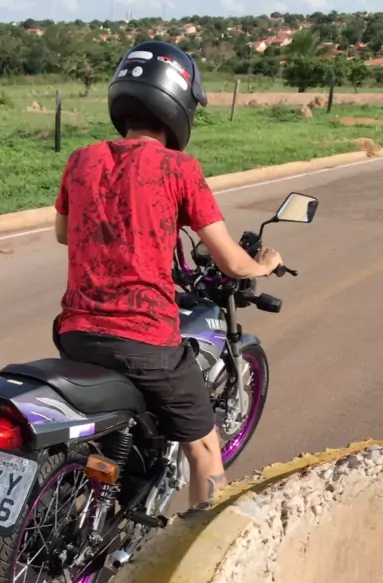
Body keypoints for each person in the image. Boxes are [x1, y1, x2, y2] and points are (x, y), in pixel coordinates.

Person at [54, 41, 282, 510]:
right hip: (145, 340)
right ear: (179, 103)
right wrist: (265, 264)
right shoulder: (179, 168)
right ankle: (201, 538)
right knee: (205, 448)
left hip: (75, 333)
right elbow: (231, 262)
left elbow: (64, 234)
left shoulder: (81, 159)